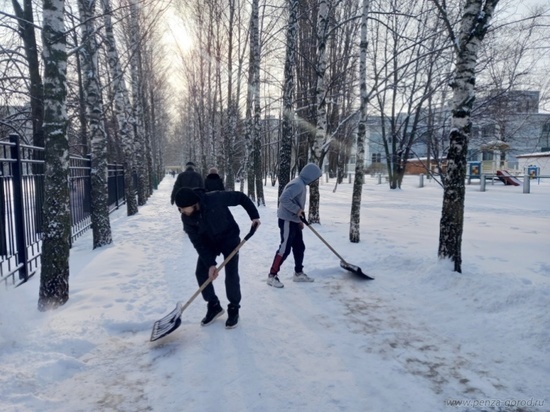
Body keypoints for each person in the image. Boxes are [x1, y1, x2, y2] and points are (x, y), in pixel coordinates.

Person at [175, 187, 261, 329]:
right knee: (201, 272)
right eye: (180, 209)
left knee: (231, 274)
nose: (183, 212)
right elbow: (197, 243)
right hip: (209, 243)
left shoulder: (214, 198)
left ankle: (234, 308)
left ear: (194, 203)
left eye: (184, 208)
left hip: (229, 238)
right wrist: (210, 264)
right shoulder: (187, 218)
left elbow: (240, 197)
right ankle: (213, 305)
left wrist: (254, 216)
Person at [267, 163, 322, 288]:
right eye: (315, 178)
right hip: (287, 220)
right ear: (310, 175)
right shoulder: (297, 184)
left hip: (294, 220)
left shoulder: (302, 184)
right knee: (284, 249)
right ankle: (272, 275)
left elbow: (296, 203)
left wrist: (299, 220)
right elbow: (284, 198)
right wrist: (297, 211)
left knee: (299, 247)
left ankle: (298, 273)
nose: (315, 181)